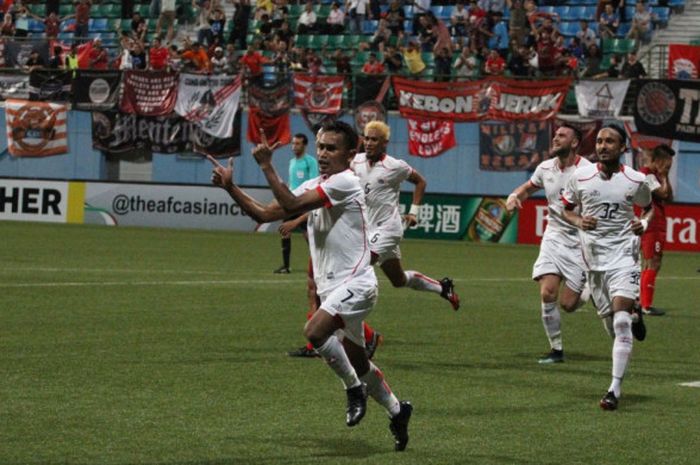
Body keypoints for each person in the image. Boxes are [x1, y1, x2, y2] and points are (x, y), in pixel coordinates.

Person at [207, 121, 413, 451]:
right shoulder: (319, 183)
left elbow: (289, 206)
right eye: (321, 147)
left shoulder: (346, 181)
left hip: (358, 285)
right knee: (360, 362)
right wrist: (230, 188)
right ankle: (397, 410)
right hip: (335, 290)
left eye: (331, 148)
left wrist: (266, 166)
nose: (323, 154)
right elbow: (263, 214)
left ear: (350, 153)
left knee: (315, 332)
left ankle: (352, 389)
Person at [561, 124, 658, 410]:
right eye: (600, 141)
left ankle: (614, 390)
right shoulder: (580, 177)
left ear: (623, 148)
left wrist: (644, 222)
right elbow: (566, 209)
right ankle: (635, 314)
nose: (603, 146)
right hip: (594, 261)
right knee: (612, 327)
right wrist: (579, 221)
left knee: (620, 320)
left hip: (624, 256)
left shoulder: (636, 179)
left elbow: (649, 207)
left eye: (610, 142)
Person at [351, 121, 461, 311]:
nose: (368, 143)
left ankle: (352, 326)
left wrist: (413, 212)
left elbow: (420, 182)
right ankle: (442, 287)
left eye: (374, 140)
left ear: (384, 143)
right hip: (368, 228)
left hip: (388, 228)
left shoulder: (395, 166)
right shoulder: (356, 161)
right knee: (398, 280)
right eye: (366, 138)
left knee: (358, 266)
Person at [506, 124, 592, 364]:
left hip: (580, 241)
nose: (555, 138)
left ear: (574, 143)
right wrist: (514, 197)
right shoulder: (545, 168)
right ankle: (556, 350)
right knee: (547, 292)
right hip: (554, 236)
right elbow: (527, 188)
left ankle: (587, 290)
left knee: (568, 305)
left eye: (562, 136)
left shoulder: (588, 171)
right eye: (555, 135)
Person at [274, 134, 319, 274]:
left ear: (304, 145)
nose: (294, 146)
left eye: (297, 144)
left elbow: (314, 182)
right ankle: (286, 266)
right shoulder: (292, 162)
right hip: (292, 202)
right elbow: (291, 183)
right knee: (285, 231)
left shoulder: (310, 161)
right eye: (293, 143)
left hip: (303, 202)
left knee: (308, 234)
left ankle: (319, 262)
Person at [639, 144, 674, 316]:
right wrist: (665, 178)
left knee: (652, 262)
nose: (668, 166)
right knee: (653, 261)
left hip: (658, 223)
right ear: (658, 160)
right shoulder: (647, 174)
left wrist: (665, 177)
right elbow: (662, 194)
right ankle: (646, 305)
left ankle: (642, 301)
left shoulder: (657, 176)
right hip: (652, 223)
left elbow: (670, 197)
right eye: (667, 163)